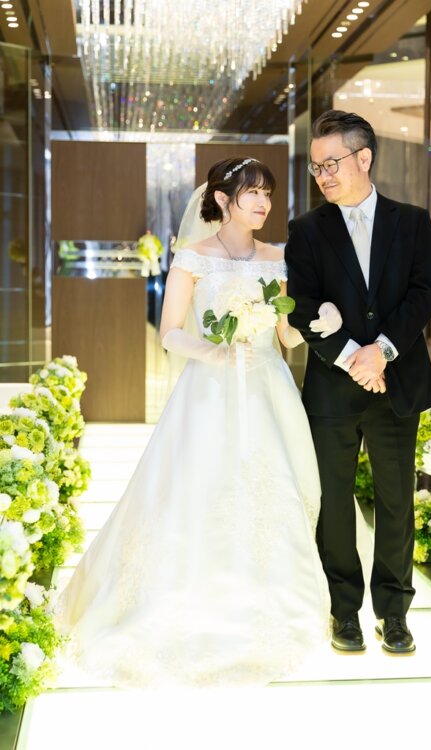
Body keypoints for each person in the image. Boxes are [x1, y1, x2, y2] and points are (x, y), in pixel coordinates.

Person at [56, 157, 341, 688]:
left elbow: (285, 335)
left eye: (268, 194)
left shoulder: (277, 258)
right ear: (224, 199)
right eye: (252, 192)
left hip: (267, 389)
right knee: (198, 489)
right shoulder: (193, 257)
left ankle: (273, 600)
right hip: (208, 390)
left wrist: (320, 322)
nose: (263, 203)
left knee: (272, 490)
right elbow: (169, 332)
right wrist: (213, 351)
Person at [285, 110, 431, 655]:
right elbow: (302, 307)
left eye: (332, 163)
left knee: (397, 501)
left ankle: (394, 614)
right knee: (334, 502)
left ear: (364, 157)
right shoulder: (306, 230)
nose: (323, 176)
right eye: (316, 167)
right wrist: (356, 357)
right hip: (333, 388)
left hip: (397, 382)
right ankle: (344, 611)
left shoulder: (412, 221)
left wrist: (383, 351)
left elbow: (423, 293)